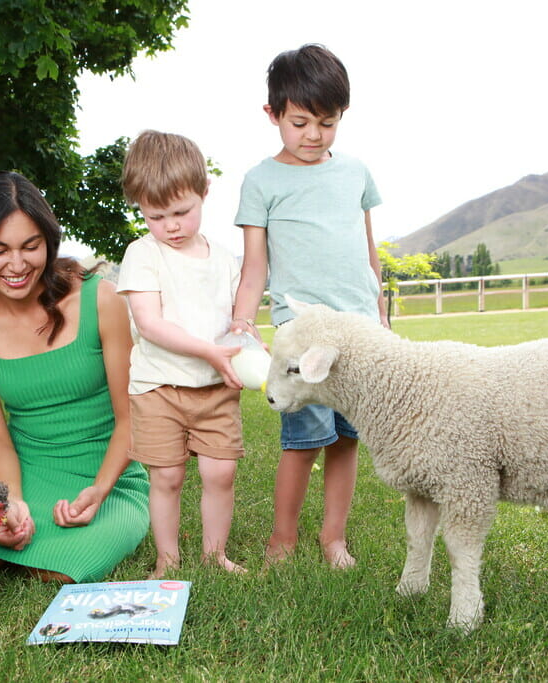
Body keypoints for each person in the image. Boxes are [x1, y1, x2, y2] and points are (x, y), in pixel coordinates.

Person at [0, 171, 150, 583]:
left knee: (57, 572)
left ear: (49, 242)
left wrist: (100, 490)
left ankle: (50, 545)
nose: (17, 265)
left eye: (30, 246)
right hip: (23, 473)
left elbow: (131, 418)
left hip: (107, 477)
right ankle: (10, 535)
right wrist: (11, 504)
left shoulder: (99, 299)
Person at [231, 44, 388, 570]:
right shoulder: (261, 182)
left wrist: (381, 316)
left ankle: (333, 538)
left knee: (346, 439)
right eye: (300, 122)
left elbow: (368, 253)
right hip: (302, 332)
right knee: (303, 441)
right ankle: (282, 540)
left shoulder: (355, 173)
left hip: (359, 331)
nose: (314, 135)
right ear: (272, 115)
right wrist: (241, 321)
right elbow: (255, 268)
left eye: (328, 122)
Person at [116, 130, 247, 578]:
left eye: (181, 212)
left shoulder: (226, 260)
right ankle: (167, 559)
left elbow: (237, 322)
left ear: (204, 193)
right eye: (155, 216)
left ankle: (215, 555)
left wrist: (247, 343)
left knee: (220, 474)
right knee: (166, 478)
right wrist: (210, 351)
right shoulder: (142, 254)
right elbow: (150, 324)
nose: (170, 225)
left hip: (215, 389)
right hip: (159, 388)